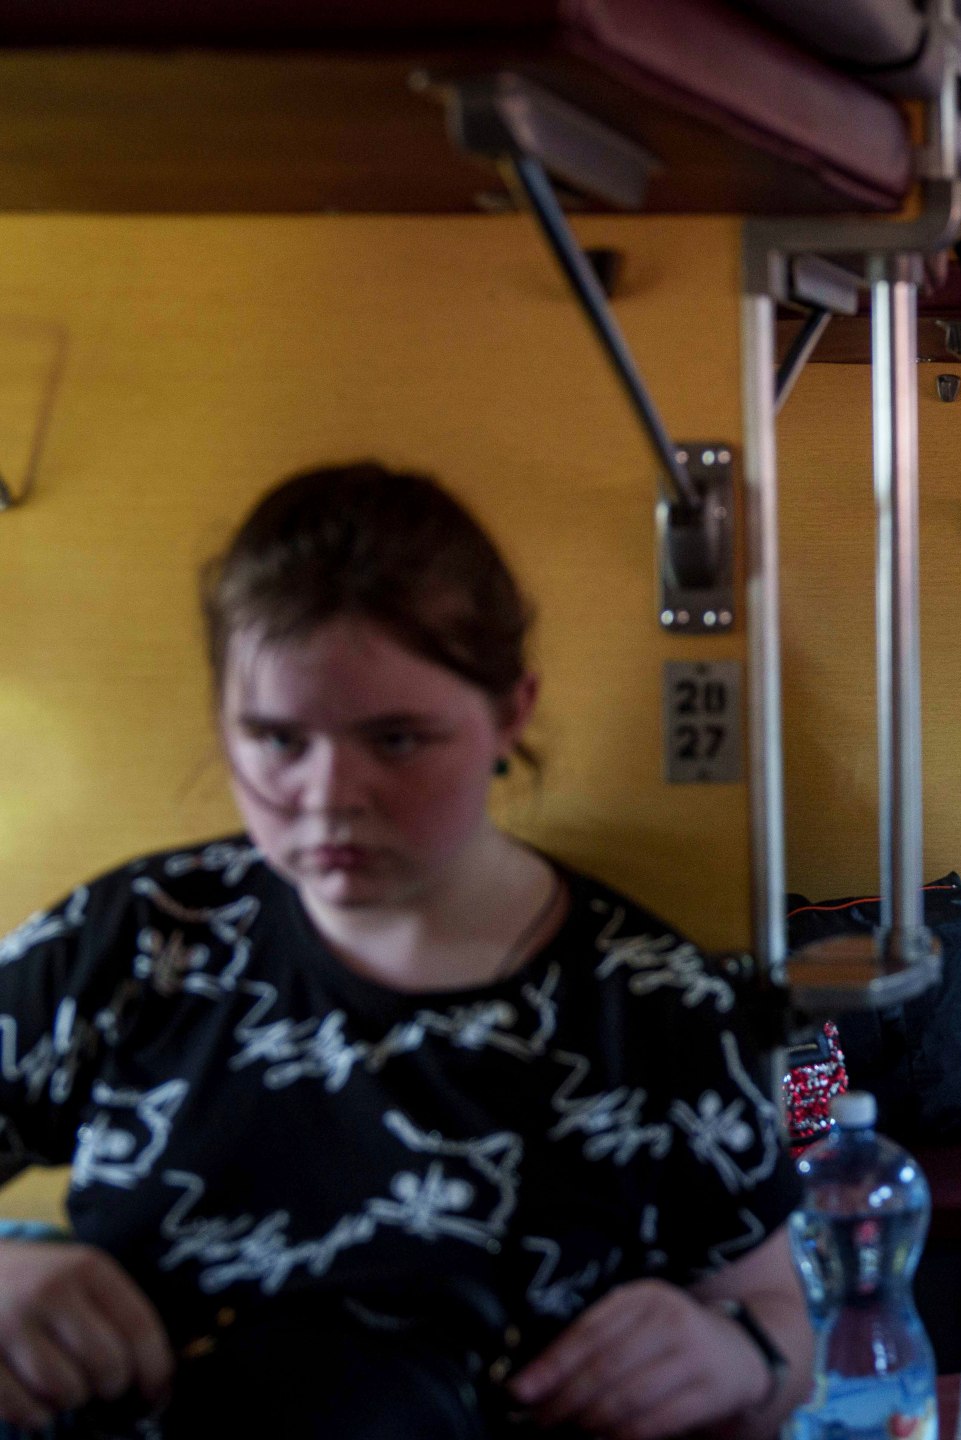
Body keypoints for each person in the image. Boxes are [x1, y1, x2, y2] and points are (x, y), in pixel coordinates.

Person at [0, 464, 811, 1438]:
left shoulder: (654, 1006)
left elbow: (779, 1323)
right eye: (276, 740)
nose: (329, 796)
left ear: (511, 712)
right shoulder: (135, 942)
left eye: (395, 739)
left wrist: (736, 1359)